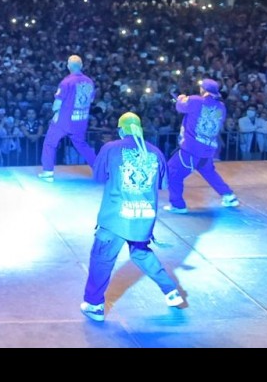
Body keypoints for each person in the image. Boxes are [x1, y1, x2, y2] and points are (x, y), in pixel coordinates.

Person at [80, 112, 183, 322]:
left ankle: (94, 304)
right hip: (143, 218)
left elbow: (98, 176)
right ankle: (171, 291)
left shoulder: (111, 148)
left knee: (101, 258)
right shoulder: (155, 152)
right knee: (141, 253)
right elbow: (162, 184)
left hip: (116, 217)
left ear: (121, 130)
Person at [164, 79, 239, 213]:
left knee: (172, 172)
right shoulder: (221, 107)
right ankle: (229, 196)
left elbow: (180, 107)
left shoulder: (195, 100)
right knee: (209, 172)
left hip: (191, 148)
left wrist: (180, 98)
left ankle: (177, 205)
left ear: (203, 89)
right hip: (208, 149)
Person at [39, 55, 97, 181]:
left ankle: (48, 172)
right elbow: (91, 100)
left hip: (64, 121)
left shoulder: (66, 82)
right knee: (82, 145)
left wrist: (55, 112)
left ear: (68, 66)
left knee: (50, 143)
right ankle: (100, 170)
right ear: (81, 66)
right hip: (81, 120)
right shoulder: (89, 82)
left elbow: (57, 104)